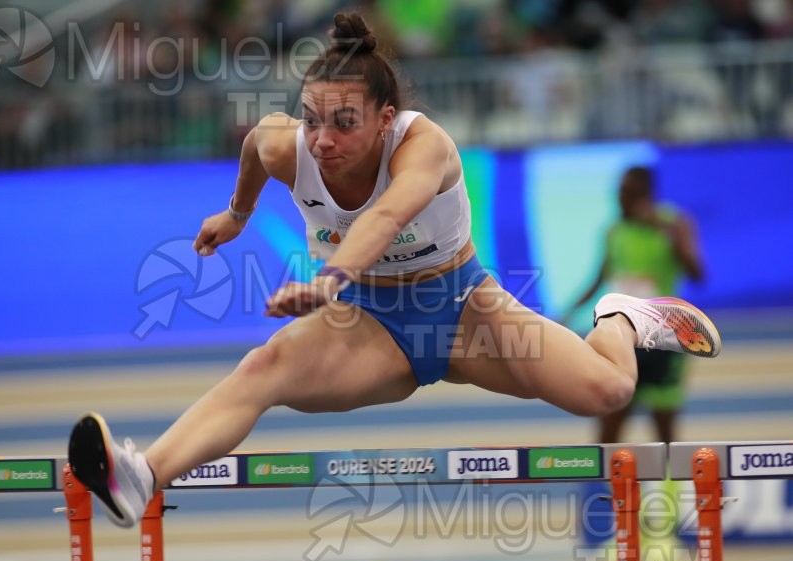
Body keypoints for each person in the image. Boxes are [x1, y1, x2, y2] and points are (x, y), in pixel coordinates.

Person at [68, 12, 721, 529]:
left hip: (466, 312)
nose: (322, 139)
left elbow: (381, 221)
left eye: (344, 123)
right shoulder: (283, 143)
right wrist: (237, 214)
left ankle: (622, 316)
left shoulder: (424, 146)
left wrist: (327, 280)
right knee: (261, 368)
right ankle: (141, 475)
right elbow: (253, 151)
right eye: (313, 119)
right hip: (369, 327)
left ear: (384, 120)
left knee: (607, 392)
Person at [563, 166, 706, 446]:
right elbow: (598, 279)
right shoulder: (614, 231)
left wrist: (664, 232)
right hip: (624, 342)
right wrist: (568, 313)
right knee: (610, 428)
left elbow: (698, 274)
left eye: (626, 193)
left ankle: (672, 490)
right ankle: (608, 490)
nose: (619, 199)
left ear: (645, 195)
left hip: (664, 340)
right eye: (619, 193)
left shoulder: (675, 223)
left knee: (666, 435)